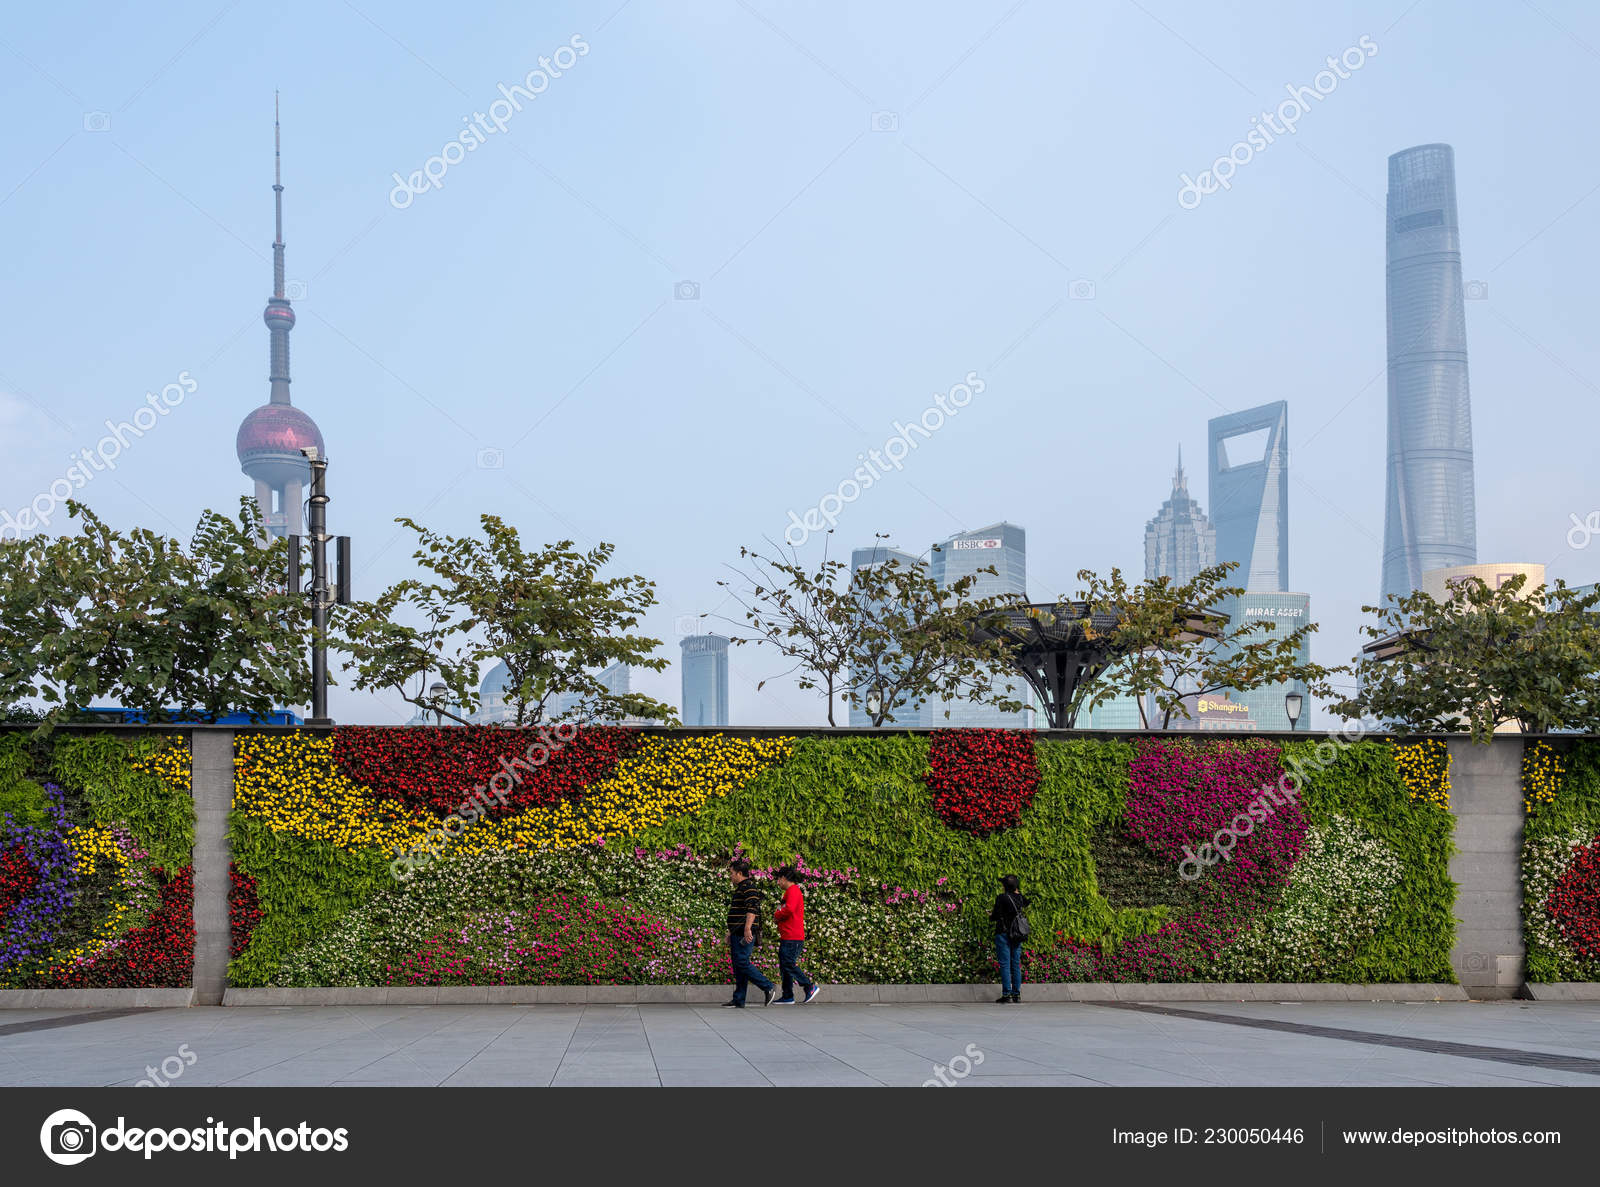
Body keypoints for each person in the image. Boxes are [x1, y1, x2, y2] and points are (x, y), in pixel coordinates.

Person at [723, 858, 775, 1008]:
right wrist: (730, 932)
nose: (730, 876)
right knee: (738, 965)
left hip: (744, 933)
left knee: (742, 962)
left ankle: (768, 987)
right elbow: (739, 914)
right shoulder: (741, 887)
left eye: (732, 873)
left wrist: (747, 929)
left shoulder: (749, 887)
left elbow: (752, 909)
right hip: (736, 932)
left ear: (739, 873)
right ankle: (739, 999)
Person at [770, 866, 820, 1004]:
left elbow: (789, 909)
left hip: (793, 936)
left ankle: (809, 986)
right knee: (785, 965)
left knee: (788, 964)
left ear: (784, 878)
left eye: (778, 879)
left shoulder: (793, 891)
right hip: (789, 935)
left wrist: (777, 915)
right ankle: (788, 996)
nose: (778, 883)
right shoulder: (791, 891)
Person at [989, 873, 1029, 1004]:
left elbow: (995, 916)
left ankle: (1007, 994)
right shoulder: (1020, 898)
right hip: (1017, 934)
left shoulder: (1002, 898)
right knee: (1015, 964)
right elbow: (1027, 902)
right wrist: (1017, 891)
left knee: (1005, 964)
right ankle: (1016, 994)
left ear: (1005, 886)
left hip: (1003, 933)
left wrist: (990, 914)